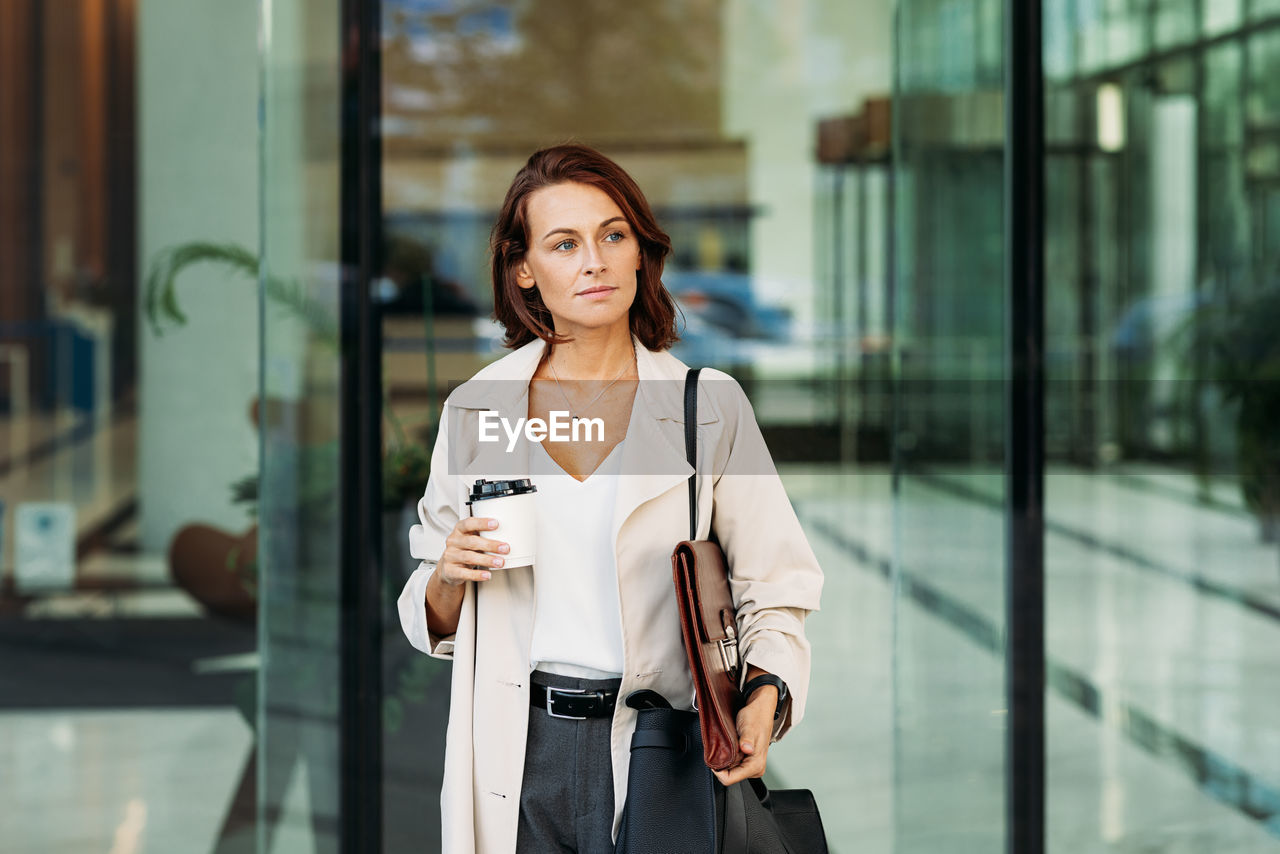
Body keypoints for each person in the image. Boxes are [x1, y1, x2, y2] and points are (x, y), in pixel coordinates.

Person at [398, 143, 824, 854]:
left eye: (612, 235)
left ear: (639, 255)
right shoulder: (480, 409)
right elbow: (430, 612)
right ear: (525, 270)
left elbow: (777, 583)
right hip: (517, 753)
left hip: (665, 750)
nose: (593, 260)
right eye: (564, 243)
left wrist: (767, 692)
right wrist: (448, 571)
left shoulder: (706, 407)